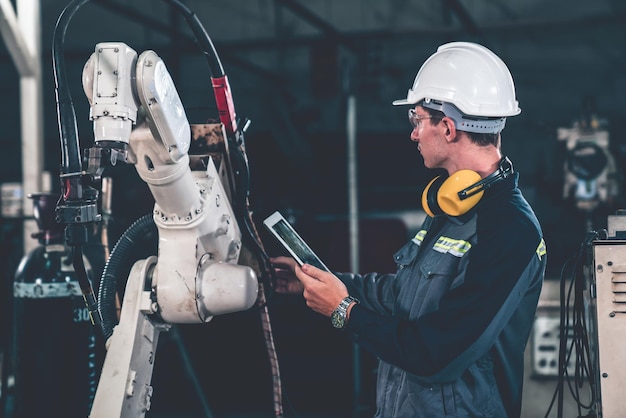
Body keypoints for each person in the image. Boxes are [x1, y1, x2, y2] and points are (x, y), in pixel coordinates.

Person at [271, 41, 546, 418]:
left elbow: (437, 353)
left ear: (447, 127)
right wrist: (321, 279)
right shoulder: (453, 205)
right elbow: (400, 295)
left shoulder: (510, 230)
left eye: (418, 120)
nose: (414, 134)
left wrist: (344, 311)